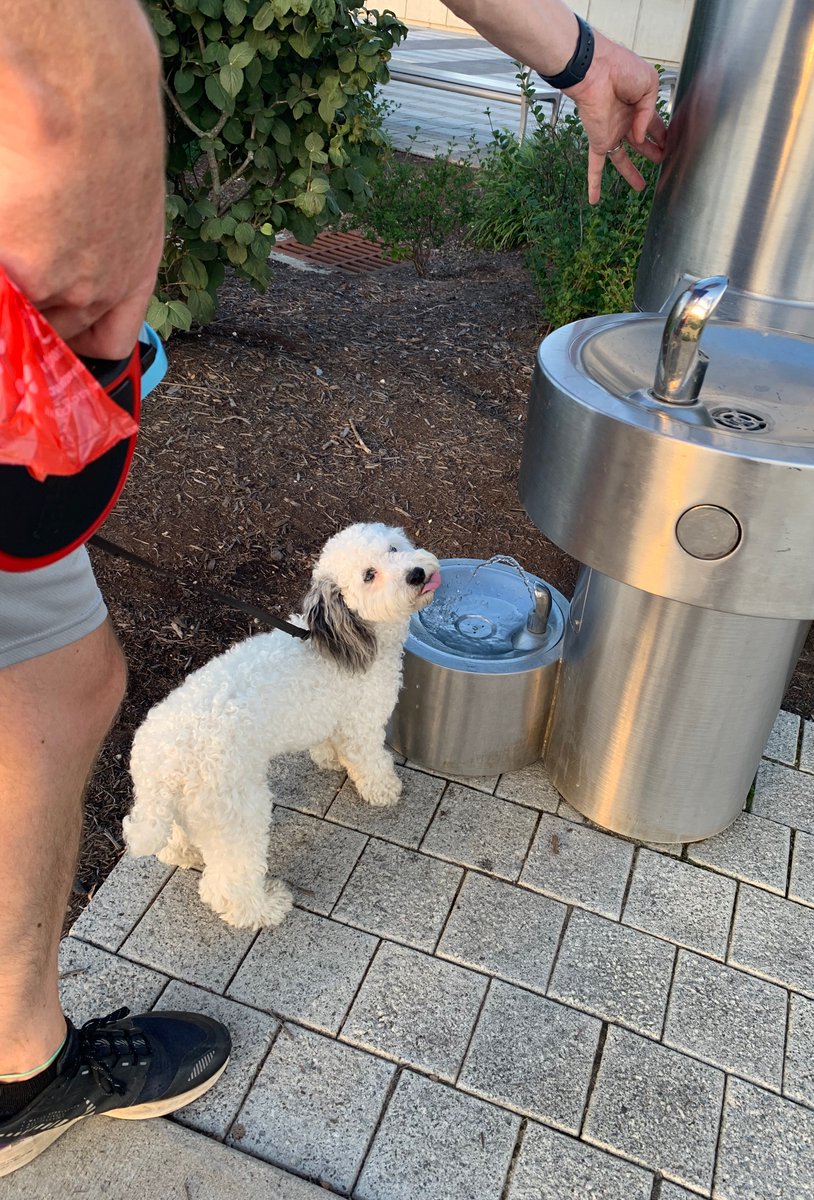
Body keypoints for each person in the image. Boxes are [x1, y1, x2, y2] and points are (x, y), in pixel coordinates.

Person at [0, 0, 665, 1177]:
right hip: (35, 260)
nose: (416, 567)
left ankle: (27, 1039)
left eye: (403, 552)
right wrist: (82, 124)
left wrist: (570, 53)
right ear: (341, 596)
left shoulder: (298, 636)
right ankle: (213, 911)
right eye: (386, 566)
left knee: (68, 679)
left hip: (164, 714)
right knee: (94, 710)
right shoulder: (352, 666)